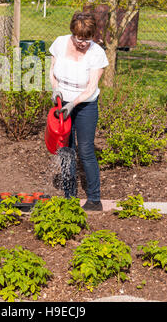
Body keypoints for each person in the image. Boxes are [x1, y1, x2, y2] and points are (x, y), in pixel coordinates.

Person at [49, 11, 109, 211]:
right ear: (72, 32)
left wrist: (72, 104)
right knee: (66, 149)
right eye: (78, 38)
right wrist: (55, 89)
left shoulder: (96, 53)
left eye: (87, 38)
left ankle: (94, 199)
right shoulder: (60, 43)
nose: (82, 42)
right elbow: (52, 71)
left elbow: (91, 88)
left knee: (85, 150)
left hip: (84, 105)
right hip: (62, 103)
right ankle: (69, 196)